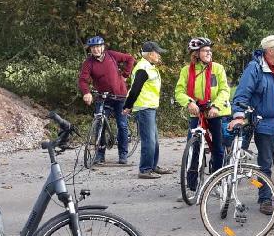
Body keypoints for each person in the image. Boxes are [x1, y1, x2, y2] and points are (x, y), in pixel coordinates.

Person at [230, 35, 274, 215]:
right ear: (269, 51)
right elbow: (242, 93)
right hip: (266, 125)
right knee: (265, 165)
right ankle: (265, 199)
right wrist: (238, 115)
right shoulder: (255, 68)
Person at [174, 37, 231, 192]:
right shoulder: (186, 71)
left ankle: (218, 181)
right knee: (193, 147)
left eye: (209, 50)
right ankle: (191, 187)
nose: (209, 53)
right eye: (205, 50)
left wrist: (216, 106)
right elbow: (179, 91)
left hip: (215, 112)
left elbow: (225, 90)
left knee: (218, 148)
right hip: (197, 112)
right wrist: (189, 102)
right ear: (196, 53)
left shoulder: (217, 68)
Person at [77, 36, 135, 165]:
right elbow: (83, 79)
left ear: (103, 47)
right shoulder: (89, 63)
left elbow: (130, 59)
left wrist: (125, 74)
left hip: (120, 96)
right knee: (99, 124)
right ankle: (100, 154)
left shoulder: (111, 55)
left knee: (122, 125)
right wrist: (86, 93)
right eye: (93, 48)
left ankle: (123, 154)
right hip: (103, 97)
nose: (96, 50)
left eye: (98, 47)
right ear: (90, 50)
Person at [123, 41, 173, 179]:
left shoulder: (149, 67)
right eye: (157, 53)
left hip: (149, 107)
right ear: (150, 54)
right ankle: (145, 169)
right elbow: (135, 90)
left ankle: (152, 166)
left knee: (154, 140)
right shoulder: (143, 68)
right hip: (144, 108)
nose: (159, 56)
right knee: (149, 140)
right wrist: (127, 105)